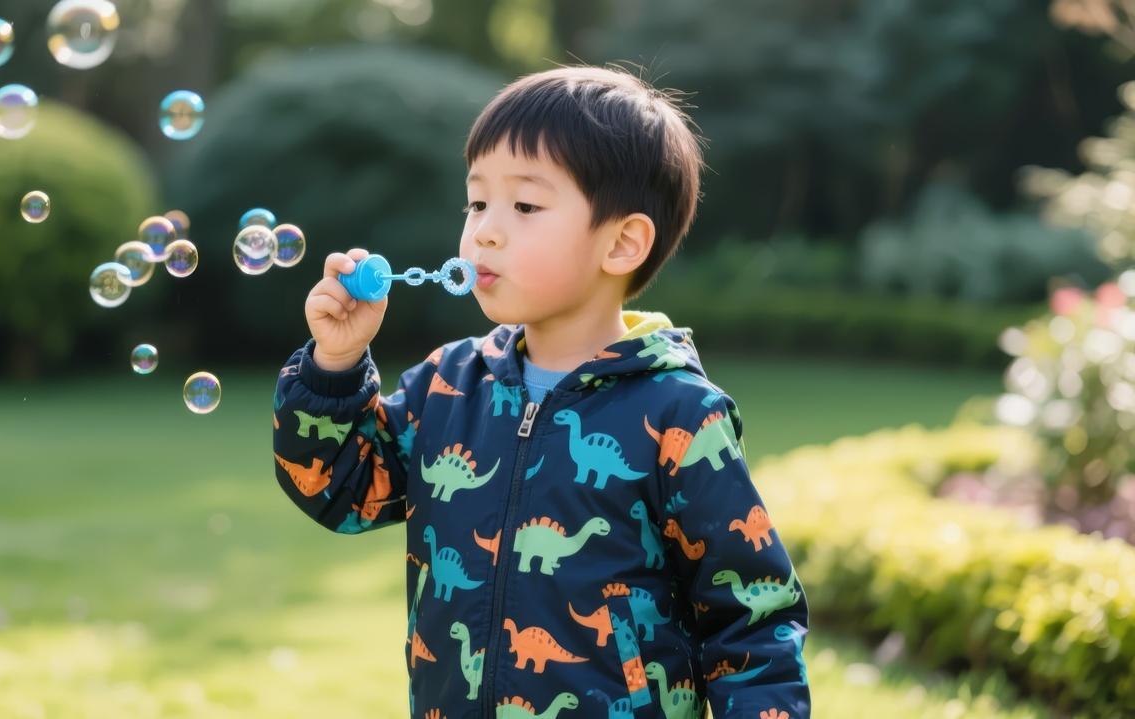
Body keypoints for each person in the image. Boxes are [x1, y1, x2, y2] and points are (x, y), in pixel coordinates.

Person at [273, 64, 811, 719]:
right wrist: (335, 363)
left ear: (621, 243)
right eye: (476, 202)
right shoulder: (447, 385)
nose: (486, 230)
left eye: (524, 205)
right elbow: (339, 491)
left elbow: (750, 621)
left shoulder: (679, 419)